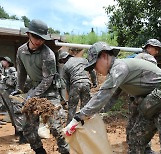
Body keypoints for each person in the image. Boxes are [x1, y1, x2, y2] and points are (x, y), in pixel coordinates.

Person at [64, 41, 161, 154]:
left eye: (95, 64)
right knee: (136, 139)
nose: (95, 70)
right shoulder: (118, 73)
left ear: (104, 56)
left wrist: (78, 117)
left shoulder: (120, 67)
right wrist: (92, 115)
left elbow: (102, 95)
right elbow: (110, 99)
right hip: (153, 103)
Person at [11, 19, 69, 154]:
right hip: (34, 89)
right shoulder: (21, 51)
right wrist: (19, 89)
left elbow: (47, 79)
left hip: (50, 92)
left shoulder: (47, 54)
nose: (39, 41)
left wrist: (32, 95)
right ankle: (39, 151)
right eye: (36, 37)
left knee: (56, 127)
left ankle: (65, 151)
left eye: (42, 38)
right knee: (28, 129)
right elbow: (21, 73)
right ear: (29, 35)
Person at [127, 39, 161, 154]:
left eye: (158, 50)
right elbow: (152, 77)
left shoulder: (136, 57)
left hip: (133, 95)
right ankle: (145, 149)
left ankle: (131, 147)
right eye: (155, 49)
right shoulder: (150, 59)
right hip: (144, 96)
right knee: (144, 121)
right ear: (149, 47)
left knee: (132, 120)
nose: (156, 52)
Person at [58, 50, 97, 124]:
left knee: (72, 108)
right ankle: (84, 126)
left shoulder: (66, 66)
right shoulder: (83, 60)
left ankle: (69, 128)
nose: (63, 63)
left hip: (75, 84)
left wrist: (70, 95)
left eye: (62, 61)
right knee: (85, 107)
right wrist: (94, 82)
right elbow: (92, 71)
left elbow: (67, 83)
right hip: (86, 83)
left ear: (63, 59)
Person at [0, 56, 26, 143]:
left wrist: (4, 78)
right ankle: (17, 131)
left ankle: (22, 134)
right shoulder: (4, 70)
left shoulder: (12, 70)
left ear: (7, 62)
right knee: (11, 113)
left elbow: (14, 82)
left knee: (16, 113)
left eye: (3, 60)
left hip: (11, 94)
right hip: (5, 94)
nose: (2, 62)